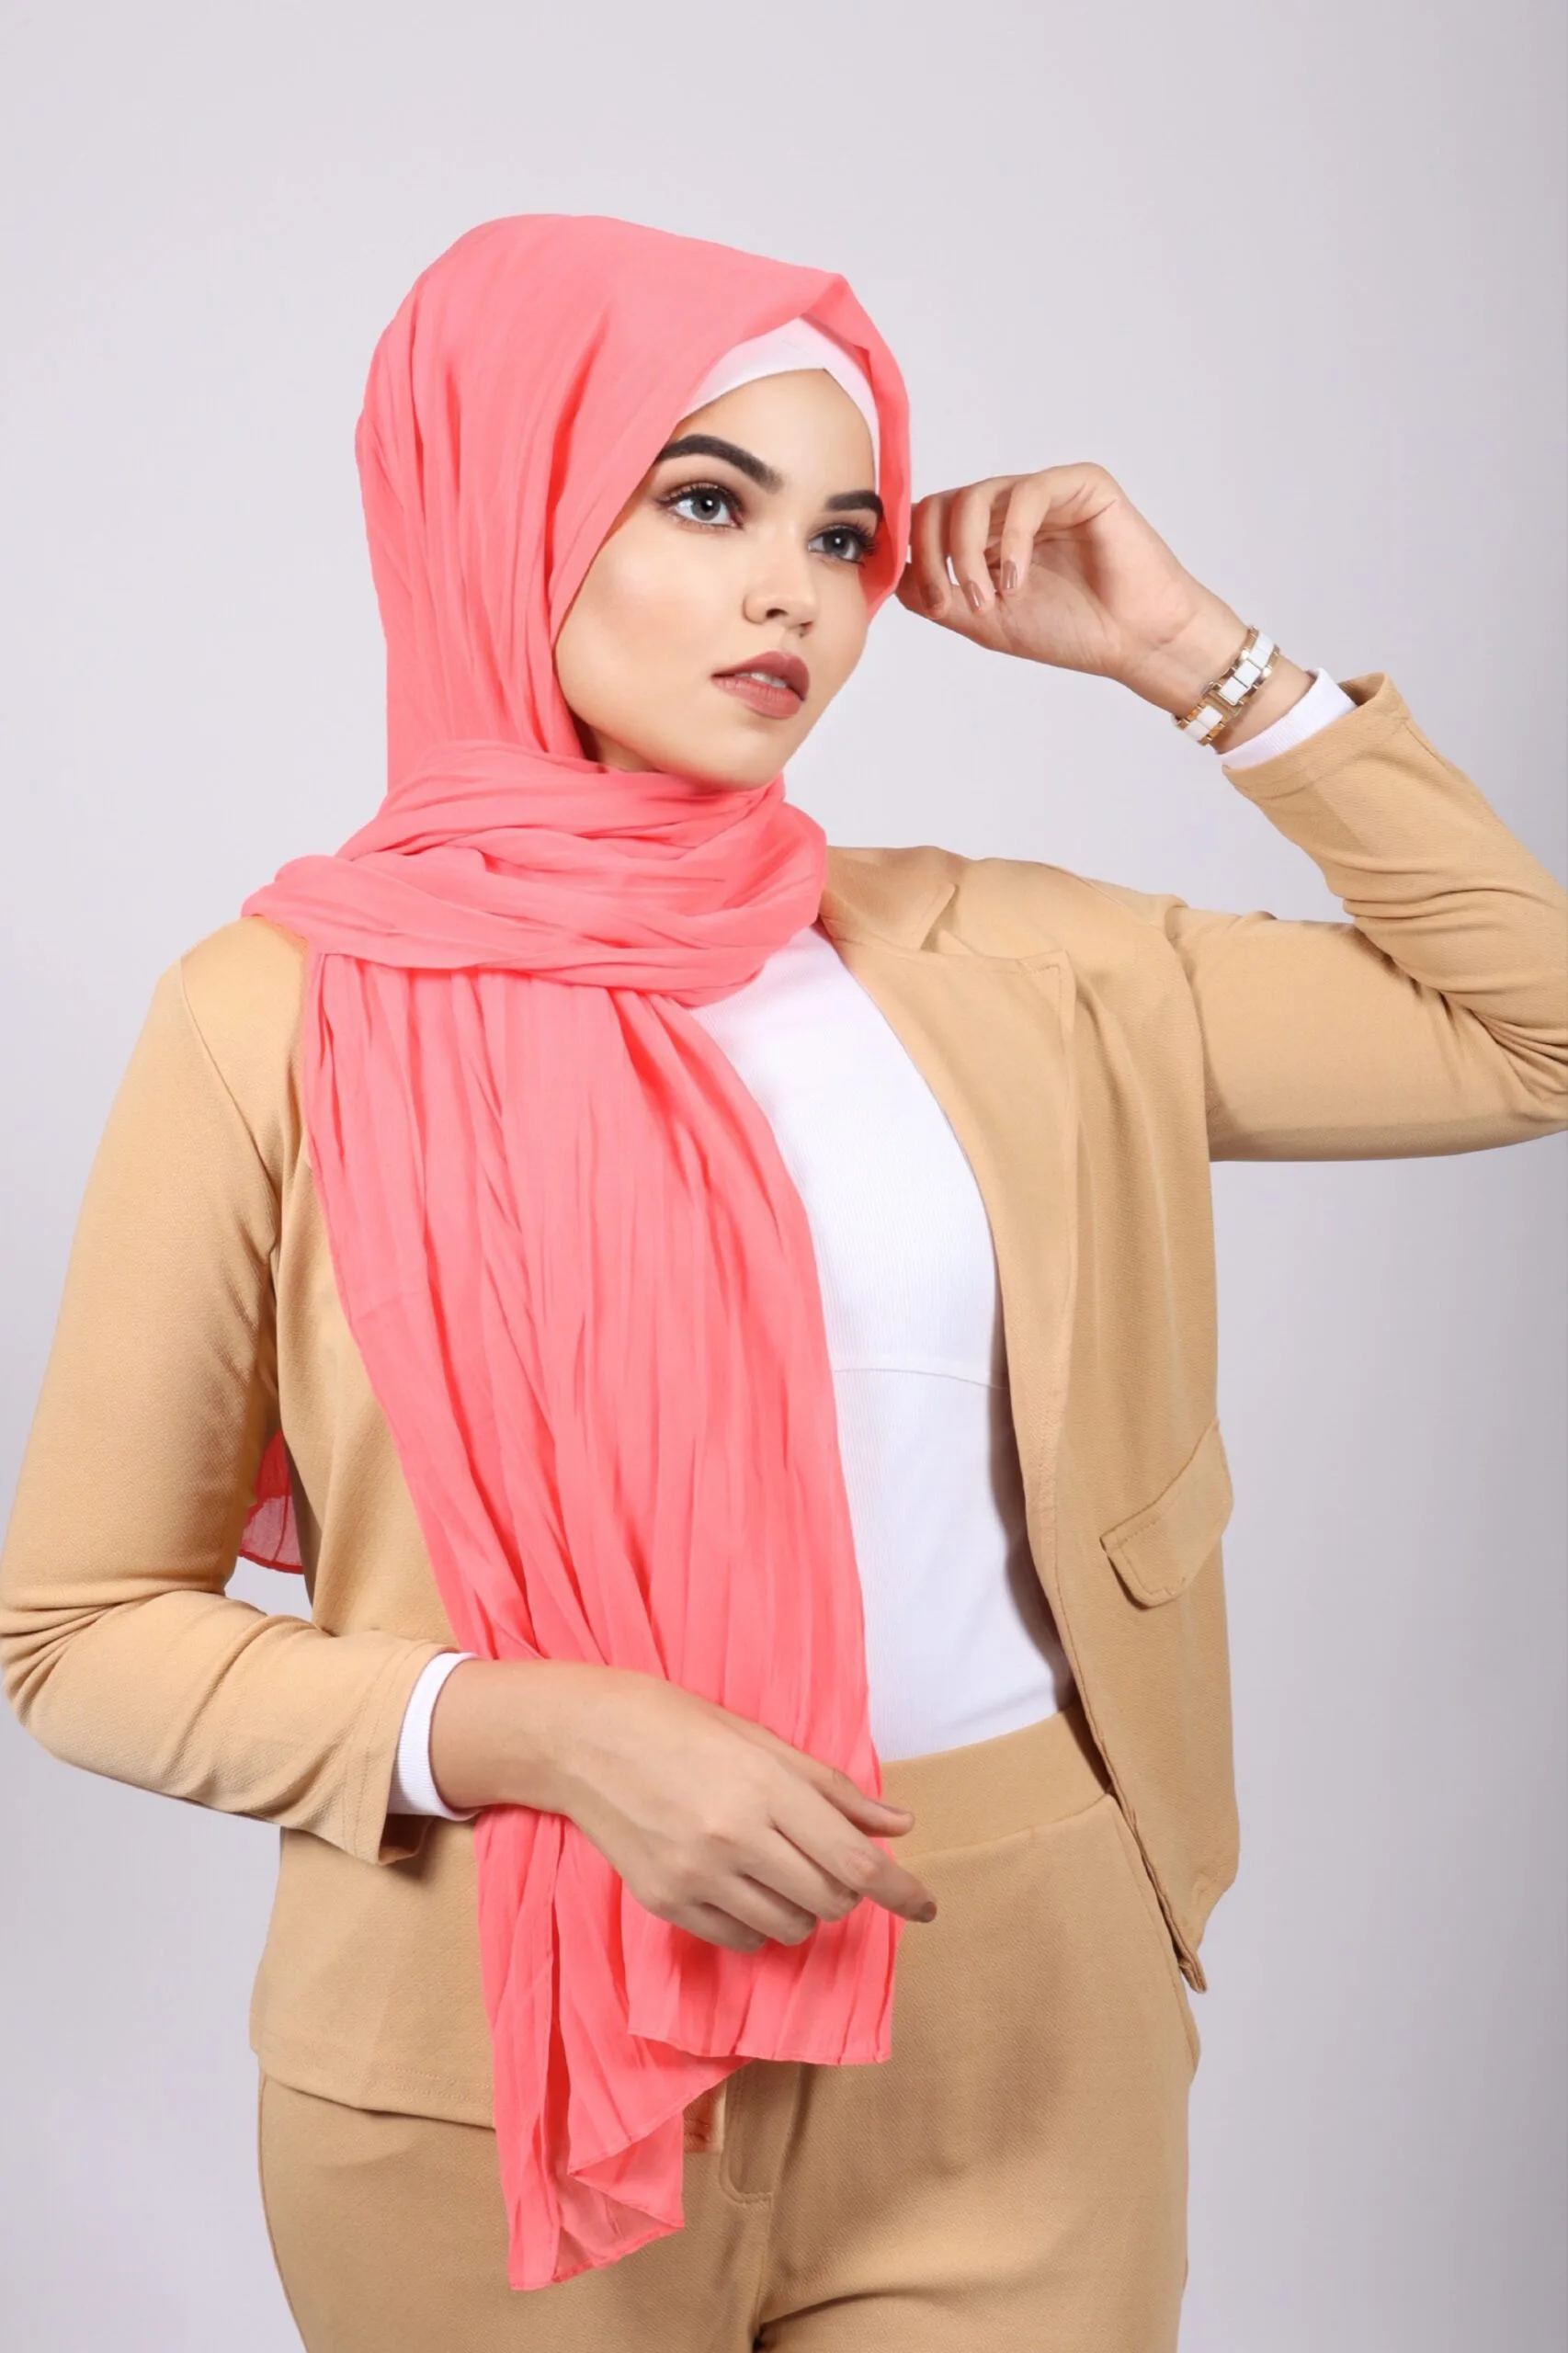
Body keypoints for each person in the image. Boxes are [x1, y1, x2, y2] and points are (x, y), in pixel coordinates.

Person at [1, 213, 1562, 2353]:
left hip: (1011, 2003)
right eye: (705, 500)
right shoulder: (271, 1016)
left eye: (840, 533)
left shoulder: (1010, 956)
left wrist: (1195, 653)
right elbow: (75, 1629)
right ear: (505, 503)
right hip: (487, 2042)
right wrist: (538, 1727)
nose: (793, 591)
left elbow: (1528, 1033)